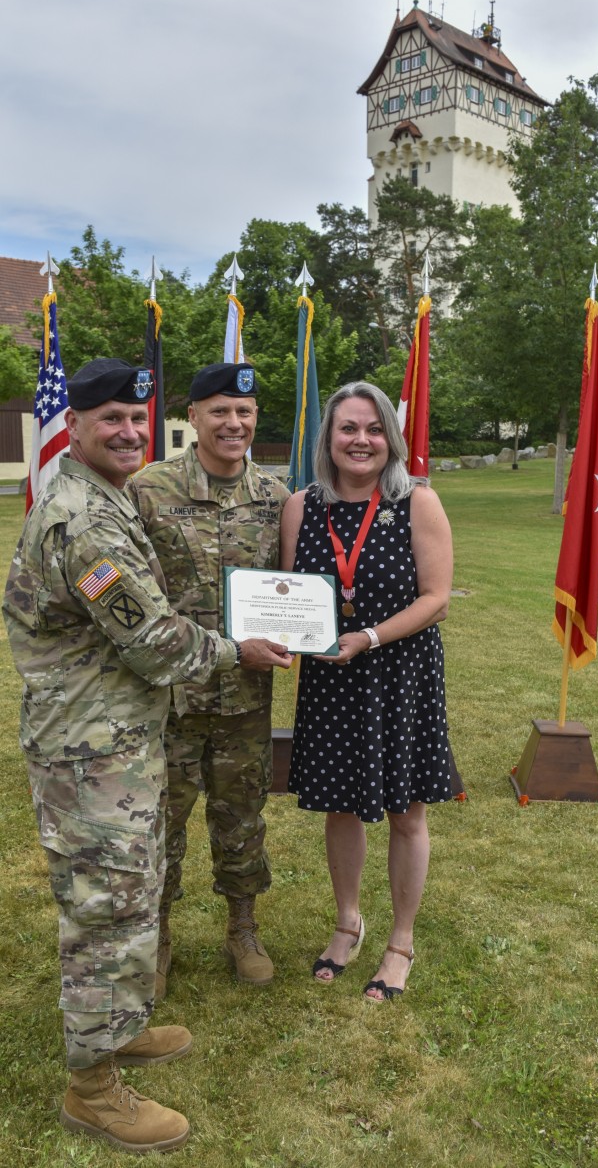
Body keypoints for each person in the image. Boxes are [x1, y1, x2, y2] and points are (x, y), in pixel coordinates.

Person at [2, 358, 291, 1154]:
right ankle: (92, 1088)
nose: (129, 432)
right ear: (78, 428)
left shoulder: (103, 495)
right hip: (93, 753)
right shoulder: (86, 523)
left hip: (115, 738)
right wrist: (243, 653)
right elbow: (160, 643)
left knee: (128, 894)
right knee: (107, 909)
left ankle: (118, 1030)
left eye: (138, 419)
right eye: (111, 421)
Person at [280, 381, 453, 1002]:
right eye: (348, 428)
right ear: (328, 437)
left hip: (398, 674)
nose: (361, 440)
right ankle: (347, 922)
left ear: (391, 438)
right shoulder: (301, 506)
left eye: (374, 428)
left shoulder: (417, 502)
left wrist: (370, 637)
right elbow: (288, 597)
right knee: (340, 805)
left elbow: (435, 600)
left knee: (408, 812)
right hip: (331, 679)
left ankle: (400, 942)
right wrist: (278, 636)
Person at [127, 361, 289, 993]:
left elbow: (295, 588)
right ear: (191, 416)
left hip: (245, 699)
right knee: (160, 820)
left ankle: (242, 929)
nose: (234, 423)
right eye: (220, 411)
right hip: (167, 695)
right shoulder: (149, 489)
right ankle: (158, 937)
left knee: (242, 815)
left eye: (245, 412)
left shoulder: (275, 497)